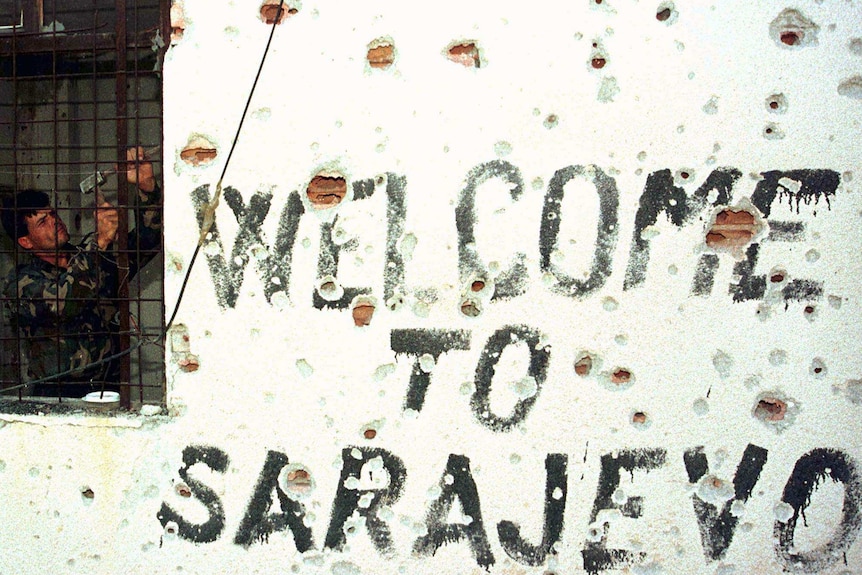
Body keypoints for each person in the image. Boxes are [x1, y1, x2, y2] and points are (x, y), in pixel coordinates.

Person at [1, 147, 161, 398]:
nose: (55, 220)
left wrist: (147, 188)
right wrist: (99, 243)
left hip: (109, 390)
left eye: (52, 213)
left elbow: (148, 242)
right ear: (26, 242)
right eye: (42, 221)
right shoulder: (21, 282)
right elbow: (65, 302)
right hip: (58, 396)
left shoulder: (89, 257)